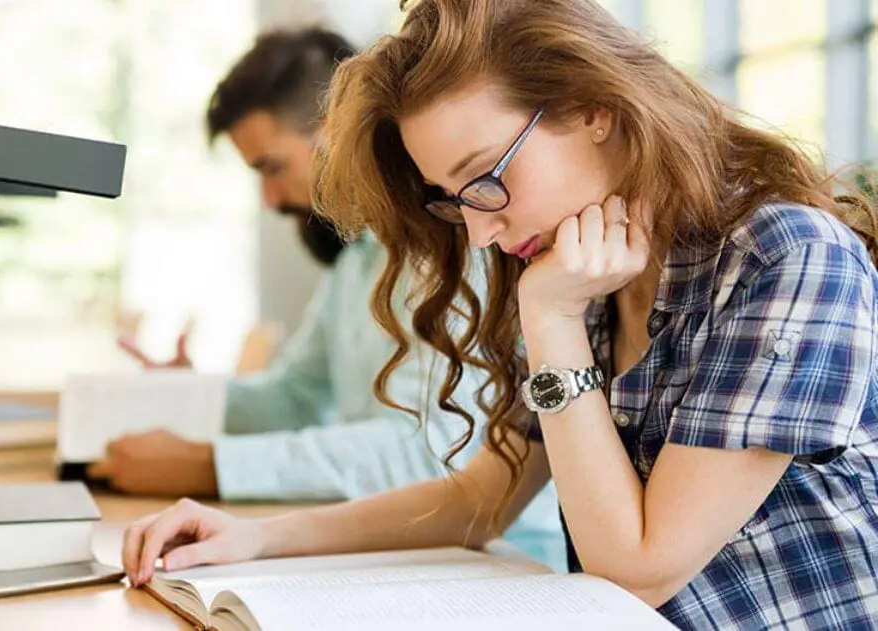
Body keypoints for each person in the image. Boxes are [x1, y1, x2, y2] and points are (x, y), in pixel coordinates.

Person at [121, 1, 878, 628]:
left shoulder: (786, 257)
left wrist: (551, 325)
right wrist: (255, 537)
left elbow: (637, 570)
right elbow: (482, 497)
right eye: (454, 198)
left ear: (595, 110)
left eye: (484, 178)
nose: (480, 230)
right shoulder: (587, 270)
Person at [93, 26, 566, 570]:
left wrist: (211, 465)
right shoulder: (358, 256)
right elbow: (298, 394)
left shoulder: (461, 245)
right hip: (397, 540)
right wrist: (187, 397)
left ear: (333, 133)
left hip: (500, 558)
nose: (270, 200)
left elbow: (429, 454)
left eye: (272, 168)